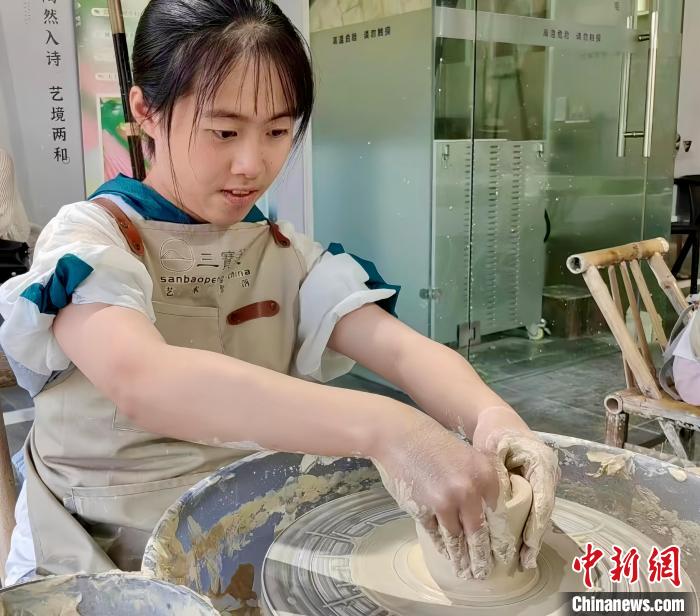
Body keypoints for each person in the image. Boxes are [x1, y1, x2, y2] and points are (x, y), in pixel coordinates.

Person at [0, 0, 559, 588]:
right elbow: (143, 380)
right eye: (224, 131)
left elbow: (399, 351)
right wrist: (390, 429)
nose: (252, 163)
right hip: (94, 551)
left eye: (277, 131)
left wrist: (493, 418)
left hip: (243, 535)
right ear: (147, 112)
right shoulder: (91, 241)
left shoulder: (284, 253)